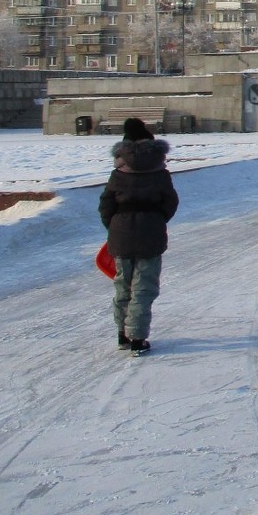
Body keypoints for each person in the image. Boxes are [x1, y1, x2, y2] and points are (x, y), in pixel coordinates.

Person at [99, 137, 179, 355]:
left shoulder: (118, 174)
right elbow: (170, 202)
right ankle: (137, 337)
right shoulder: (161, 174)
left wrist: (115, 226)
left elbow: (106, 205)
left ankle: (123, 334)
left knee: (123, 286)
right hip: (150, 234)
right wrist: (156, 219)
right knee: (144, 287)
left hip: (121, 234)